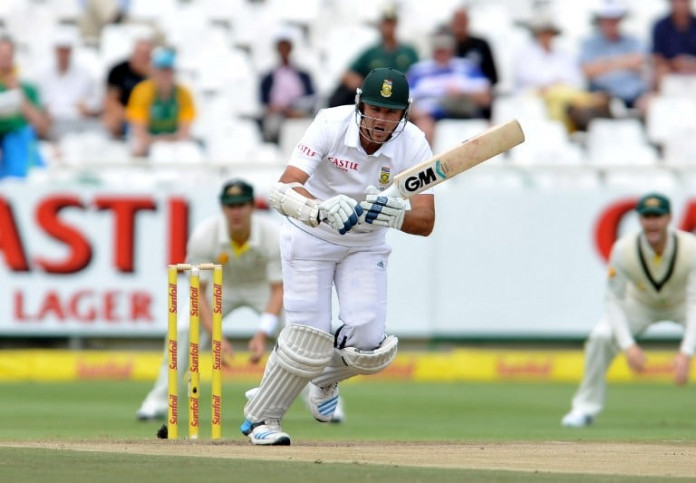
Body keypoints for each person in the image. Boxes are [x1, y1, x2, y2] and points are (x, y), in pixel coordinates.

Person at [240, 67, 435, 445]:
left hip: (365, 242)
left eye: (391, 112)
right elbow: (285, 188)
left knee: (371, 345)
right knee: (307, 340)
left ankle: (325, 379)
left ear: (404, 114)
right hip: (310, 235)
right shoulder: (330, 122)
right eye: (375, 109)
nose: (381, 120)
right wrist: (323, 208)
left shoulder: (413, 143)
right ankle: (264, 418)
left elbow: (425, 220)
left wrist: (396, 215)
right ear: (361, 103)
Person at [136, 179, 284, 421]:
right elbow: (198, 291)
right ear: (222, 208)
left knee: (296, 331)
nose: (236, 211)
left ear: (252, 207)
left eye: (241, 205)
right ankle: (158, 401)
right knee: (184, 328)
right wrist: (216, 336)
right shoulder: (204, 235)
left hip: (262, 288)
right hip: (220, 286)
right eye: (230, 206)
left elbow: (279, 289)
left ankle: (321, 403)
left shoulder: (272, 235)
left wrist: (261, 334)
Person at [562, 192, 696, 428]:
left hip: (681, 303)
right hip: (640, 304)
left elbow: (695, 300)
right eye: (646, 217)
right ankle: (584, 409)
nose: (651, 222)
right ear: (639, 220)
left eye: (657, 216)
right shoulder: (623, 249)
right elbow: (613, 300)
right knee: (601, 337)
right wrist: (629, 346)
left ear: (669, 218)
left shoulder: (690, 247)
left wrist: (686, 353)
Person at [513, 14, 611, 132]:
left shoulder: (563, 54)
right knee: (559, 97)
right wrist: (551, 84)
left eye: (549, 33)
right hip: (534, 95)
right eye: (544, 32)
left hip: (562, 94)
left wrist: (555, 84)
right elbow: (524, 77)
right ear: (537, 34)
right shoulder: (524, 53)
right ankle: (588, 102)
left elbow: (575, 78)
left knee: (559, 98)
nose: (547, 36)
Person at [406, 27, 492, 145]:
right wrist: (417, 112)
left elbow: (486, 97)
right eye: (439, 50)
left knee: (490, 125)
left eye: (445, 50)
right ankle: (425, 160)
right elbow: (406, 99)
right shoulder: (419, 70)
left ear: (452, 49)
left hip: (464, 110)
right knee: (422, 127)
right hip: (429, 114)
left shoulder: (466, 67)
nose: (442, 54)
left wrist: (463, 91)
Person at [327, 5, 419, 107]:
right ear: (380, 25)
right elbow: (347, 74)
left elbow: (421, 73)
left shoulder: (409, 51)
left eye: (391, 23)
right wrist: (365, 86)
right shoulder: (371, 52)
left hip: (401, 98)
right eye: (386, 23)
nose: (388, 27)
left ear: (396, 25)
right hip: (375, 99)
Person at [579, 0, 651, 114]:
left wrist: (605, 64)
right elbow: (588, 71)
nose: (611, 23)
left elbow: (640, 62)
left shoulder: (633, 41)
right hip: (603, 98)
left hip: (633, 97)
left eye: (614, 19)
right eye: (607, 20)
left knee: (652, 104)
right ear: (600, 20)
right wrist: (625, 62)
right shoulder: (589, 43)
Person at [125, 46, 196, 157]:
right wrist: (157, 142)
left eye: (169, 70)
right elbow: (139, 130)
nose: (165, 75)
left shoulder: (183, 94)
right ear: (153, 72)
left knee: (187, 151)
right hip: (148, 139)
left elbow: (185, 132)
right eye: (162, 70)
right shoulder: (142, 92)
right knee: (139, 148)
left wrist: (168, 141)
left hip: (173, 138)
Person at [36, 28, 101, 140]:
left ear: (71, 51)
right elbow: (40, 103)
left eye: (66, 50)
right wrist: (44, 113)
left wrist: (88, 108)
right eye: (60, 50)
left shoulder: (86, 73)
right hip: (54, 124)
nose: (63, 54)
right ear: (55, 51)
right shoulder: (42, 74)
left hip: (81, 122)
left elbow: (95, 102)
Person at [0, 36, 50, 179]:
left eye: (7, 54)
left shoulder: (28, 89)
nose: (4, 58)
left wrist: (18, 95)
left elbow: (42, 127)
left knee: (19, 138)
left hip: (20, 144)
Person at [259, 29, 316, 144]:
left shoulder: (304, 75)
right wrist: (280, 109)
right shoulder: (268, 77)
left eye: (286, 47)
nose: (284, 50)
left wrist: (296, 110)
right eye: (281, 47)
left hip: (299, 112)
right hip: (277, 114)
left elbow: (311, 97)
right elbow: (264, 102)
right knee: (273, 124)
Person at [102, 36, 153, 138]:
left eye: (146, 55)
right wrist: (131, 116)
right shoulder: (118, 70)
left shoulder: (157, 74)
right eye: (140, 54)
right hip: (124, 113)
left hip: (147, 115)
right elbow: (110, 101)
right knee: (110, 119)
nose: (143, 58)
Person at [450, 5, 499, 90]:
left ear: (468, 21)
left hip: (477, 92)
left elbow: (493, 77)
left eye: (463, 21)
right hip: (451, 93)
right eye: (458, 21)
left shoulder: (481, 45)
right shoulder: (446, 48)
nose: (460, 25)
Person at [651, 0, 696, 91]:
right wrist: (674, 64)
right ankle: (657, 97)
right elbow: (656, 57)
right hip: (670, 69)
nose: (680, 4)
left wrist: (690, 65)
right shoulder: (660, 26)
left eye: (683, 1)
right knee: (659, 71)